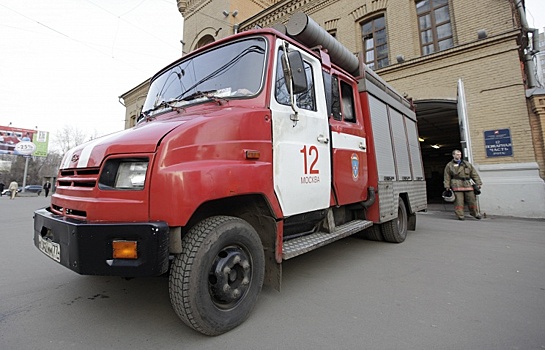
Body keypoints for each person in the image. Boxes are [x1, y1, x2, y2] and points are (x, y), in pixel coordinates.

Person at [444, 149, 482, 220]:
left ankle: (475, 214)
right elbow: (447, 176)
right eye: (457, 154)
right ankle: (460, 216)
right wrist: (447, 186)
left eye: (460, 154)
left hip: (468, 184)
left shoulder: (467, 164)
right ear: (453, 155)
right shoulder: (449, 165)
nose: (459, 156)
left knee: (472, 200)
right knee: (459, 202)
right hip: (456, 184)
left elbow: (474, 174)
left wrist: (478, 183)